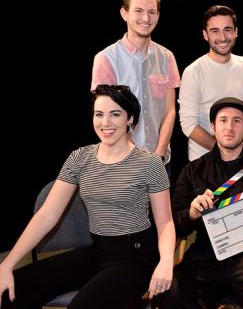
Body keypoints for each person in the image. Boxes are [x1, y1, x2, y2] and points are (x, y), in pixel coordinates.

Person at [0, 85, 175, 309]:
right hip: (99, 251)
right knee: (15, 289)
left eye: (115, 114)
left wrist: (166, 261)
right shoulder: (79, 158)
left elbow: (166, 222)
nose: (105, 123)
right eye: (99, 114)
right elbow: (47, 214)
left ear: (130, 118)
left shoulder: (149, 163)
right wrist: (8, 263)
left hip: (136, 257)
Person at [159, 97, 243, 309]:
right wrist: (192, 214)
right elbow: (175, 222)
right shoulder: (193, 170)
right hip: (207, 255)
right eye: (223, 120)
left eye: (237, 121)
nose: (229, 127)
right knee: (172, 295)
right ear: (213, 127)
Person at [91, 0, 181, 164]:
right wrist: (133, 156)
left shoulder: (167, 57)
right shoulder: (106, 58)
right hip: (120, 160)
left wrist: (159, 154)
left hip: (160, 159)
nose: (146, 18)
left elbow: (170, 110)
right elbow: (106, 116)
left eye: (152, 12)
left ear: (158, 16)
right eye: (138, 11)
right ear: (124, 13)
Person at [179, 5, 243, 161]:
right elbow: (189, 125)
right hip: (203, 161)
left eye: (228, 29)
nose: (222, 37)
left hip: (242, 163)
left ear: (236, 32)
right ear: (205, 35)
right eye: (215, 31)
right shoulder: (193, 72)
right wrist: (224, 152)